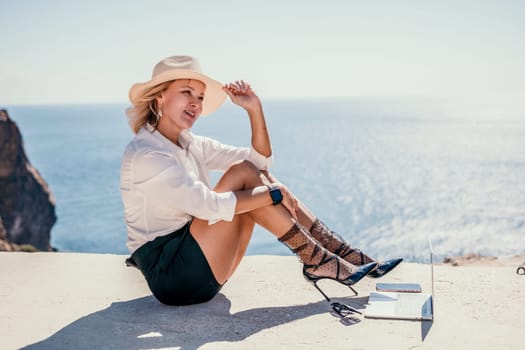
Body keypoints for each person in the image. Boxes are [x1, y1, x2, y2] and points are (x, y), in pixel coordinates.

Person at [120, 55, 402, 306]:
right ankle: (321, 258)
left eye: (201, 96)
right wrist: (273, 193)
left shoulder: (189, 143)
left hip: (202, 265)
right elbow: (206, 207)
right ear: (159, 97)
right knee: (247, 177)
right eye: (186, 92)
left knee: (247, 173)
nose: (196, 102)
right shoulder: (148, 154)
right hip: (173, 276)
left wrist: (254, 110)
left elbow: (260, 164)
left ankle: (331, 255)